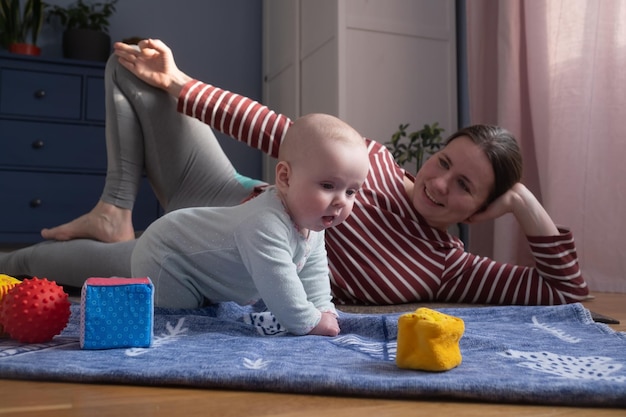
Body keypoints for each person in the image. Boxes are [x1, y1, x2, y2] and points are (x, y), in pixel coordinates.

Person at [0, 39, 589, 307]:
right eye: (443, 163)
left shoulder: (448, 268)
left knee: (30, 266)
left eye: (464, 186)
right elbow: (278, 129)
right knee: (131, 62)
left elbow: (567, 295)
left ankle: (103, 234)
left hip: (198, 263)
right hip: (218, 192)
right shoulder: (376, 161)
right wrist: (179, 82)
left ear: (480, 210)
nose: (437, 183)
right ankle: (114, 209)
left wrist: (524, 204)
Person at [131, 112, 369, 336]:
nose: (340, 201)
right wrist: (310, 321)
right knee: (179, 322)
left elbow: (314, 273)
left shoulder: (312, 225)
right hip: (167, 256)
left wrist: (324, 309)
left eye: (351, 192)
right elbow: (280, 286)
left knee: (208, 311)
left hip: (203, 274)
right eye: (328, 186)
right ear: (285, 178)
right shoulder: (265, 223)